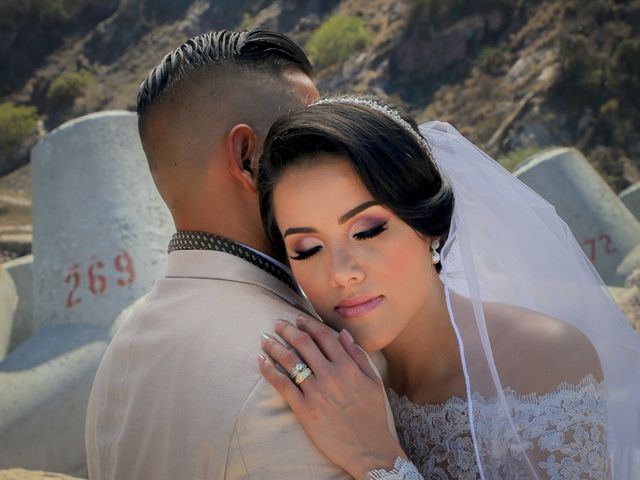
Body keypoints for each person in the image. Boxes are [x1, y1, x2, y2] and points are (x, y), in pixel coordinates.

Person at [256, 96, 640, 479]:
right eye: (308, 249)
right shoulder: (336, 381)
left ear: (428, 225)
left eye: (367, 231)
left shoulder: (544, 361)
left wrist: (377, 461)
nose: (341, 273)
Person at [85, 31, 396, 479]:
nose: (335, 152)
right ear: (248, 157)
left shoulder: (121, 350)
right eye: (307, 137)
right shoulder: (302, 370)